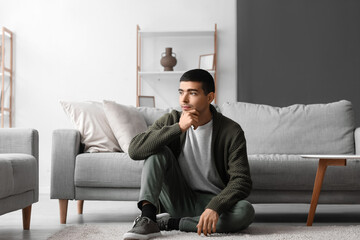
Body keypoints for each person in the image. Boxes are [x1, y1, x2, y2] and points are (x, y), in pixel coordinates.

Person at [123, 69, 254, 240]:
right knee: (158, 151)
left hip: (210, 201)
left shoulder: (231, 131)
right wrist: (178, 128)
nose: (184, 99)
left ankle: (170, 223)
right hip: (176, 198)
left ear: (209, 97)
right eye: (181, 92)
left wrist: (215, 206)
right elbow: (134, 150)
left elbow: (241, 180)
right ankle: (147, 218)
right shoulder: (172, 120)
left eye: (192, 93)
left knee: (245, 211)